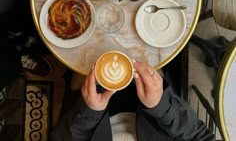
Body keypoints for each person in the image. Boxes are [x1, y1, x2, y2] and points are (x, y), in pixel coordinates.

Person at [50, 60, 215, 141]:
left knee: (84, 57)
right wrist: (162, 106)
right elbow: (199, 137)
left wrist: (90, 112)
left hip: (92, 121)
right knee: (149, 44)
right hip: (154, 116)